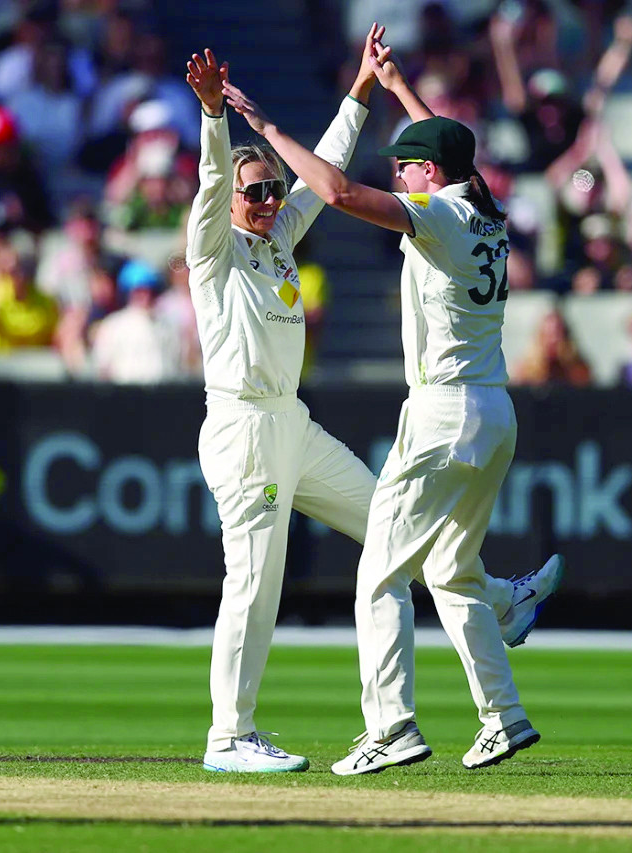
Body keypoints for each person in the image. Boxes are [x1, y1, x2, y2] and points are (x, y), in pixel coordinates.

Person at [221, 33, 558, 775]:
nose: (398, 175)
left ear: (430, 173)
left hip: (440, 414)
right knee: (450, 570)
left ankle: (392, 726)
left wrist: (270, 131)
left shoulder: (435, 215)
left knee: (378, 575)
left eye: (406, 166)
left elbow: (337, 194)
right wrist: (396, 85)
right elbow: (451, 152)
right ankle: (503, 713)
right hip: (493, 413)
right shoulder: (486, 210)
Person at [511, 309, 593, 387]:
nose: (553, 340)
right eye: (548, 335)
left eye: (557, 334)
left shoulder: (577, 368)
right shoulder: (525, 370)